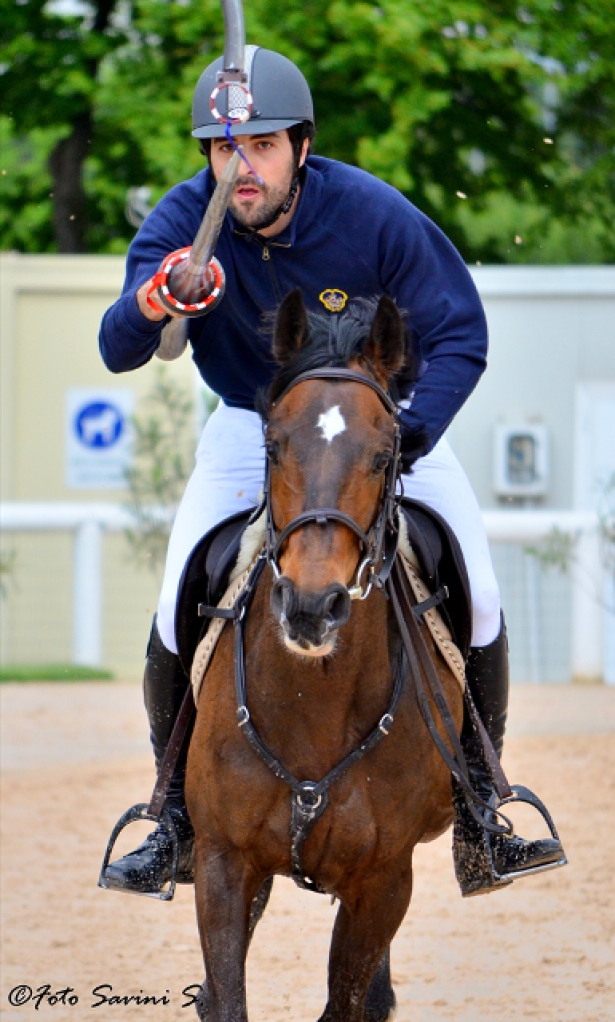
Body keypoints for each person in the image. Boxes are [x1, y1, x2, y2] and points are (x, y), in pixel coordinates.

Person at [99, 46, 565, 897]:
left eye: (262, 146)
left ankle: (478, 811)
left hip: (385, 428)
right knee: (175, 600)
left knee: (481, 591)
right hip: (253, 426)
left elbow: (461, 331)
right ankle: (170, 816)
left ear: (302, 148)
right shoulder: (184, 223)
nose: (239, 167)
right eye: (222, 149)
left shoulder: (374, 215)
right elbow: (117, 345)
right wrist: (159, 295)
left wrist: (404, 438)